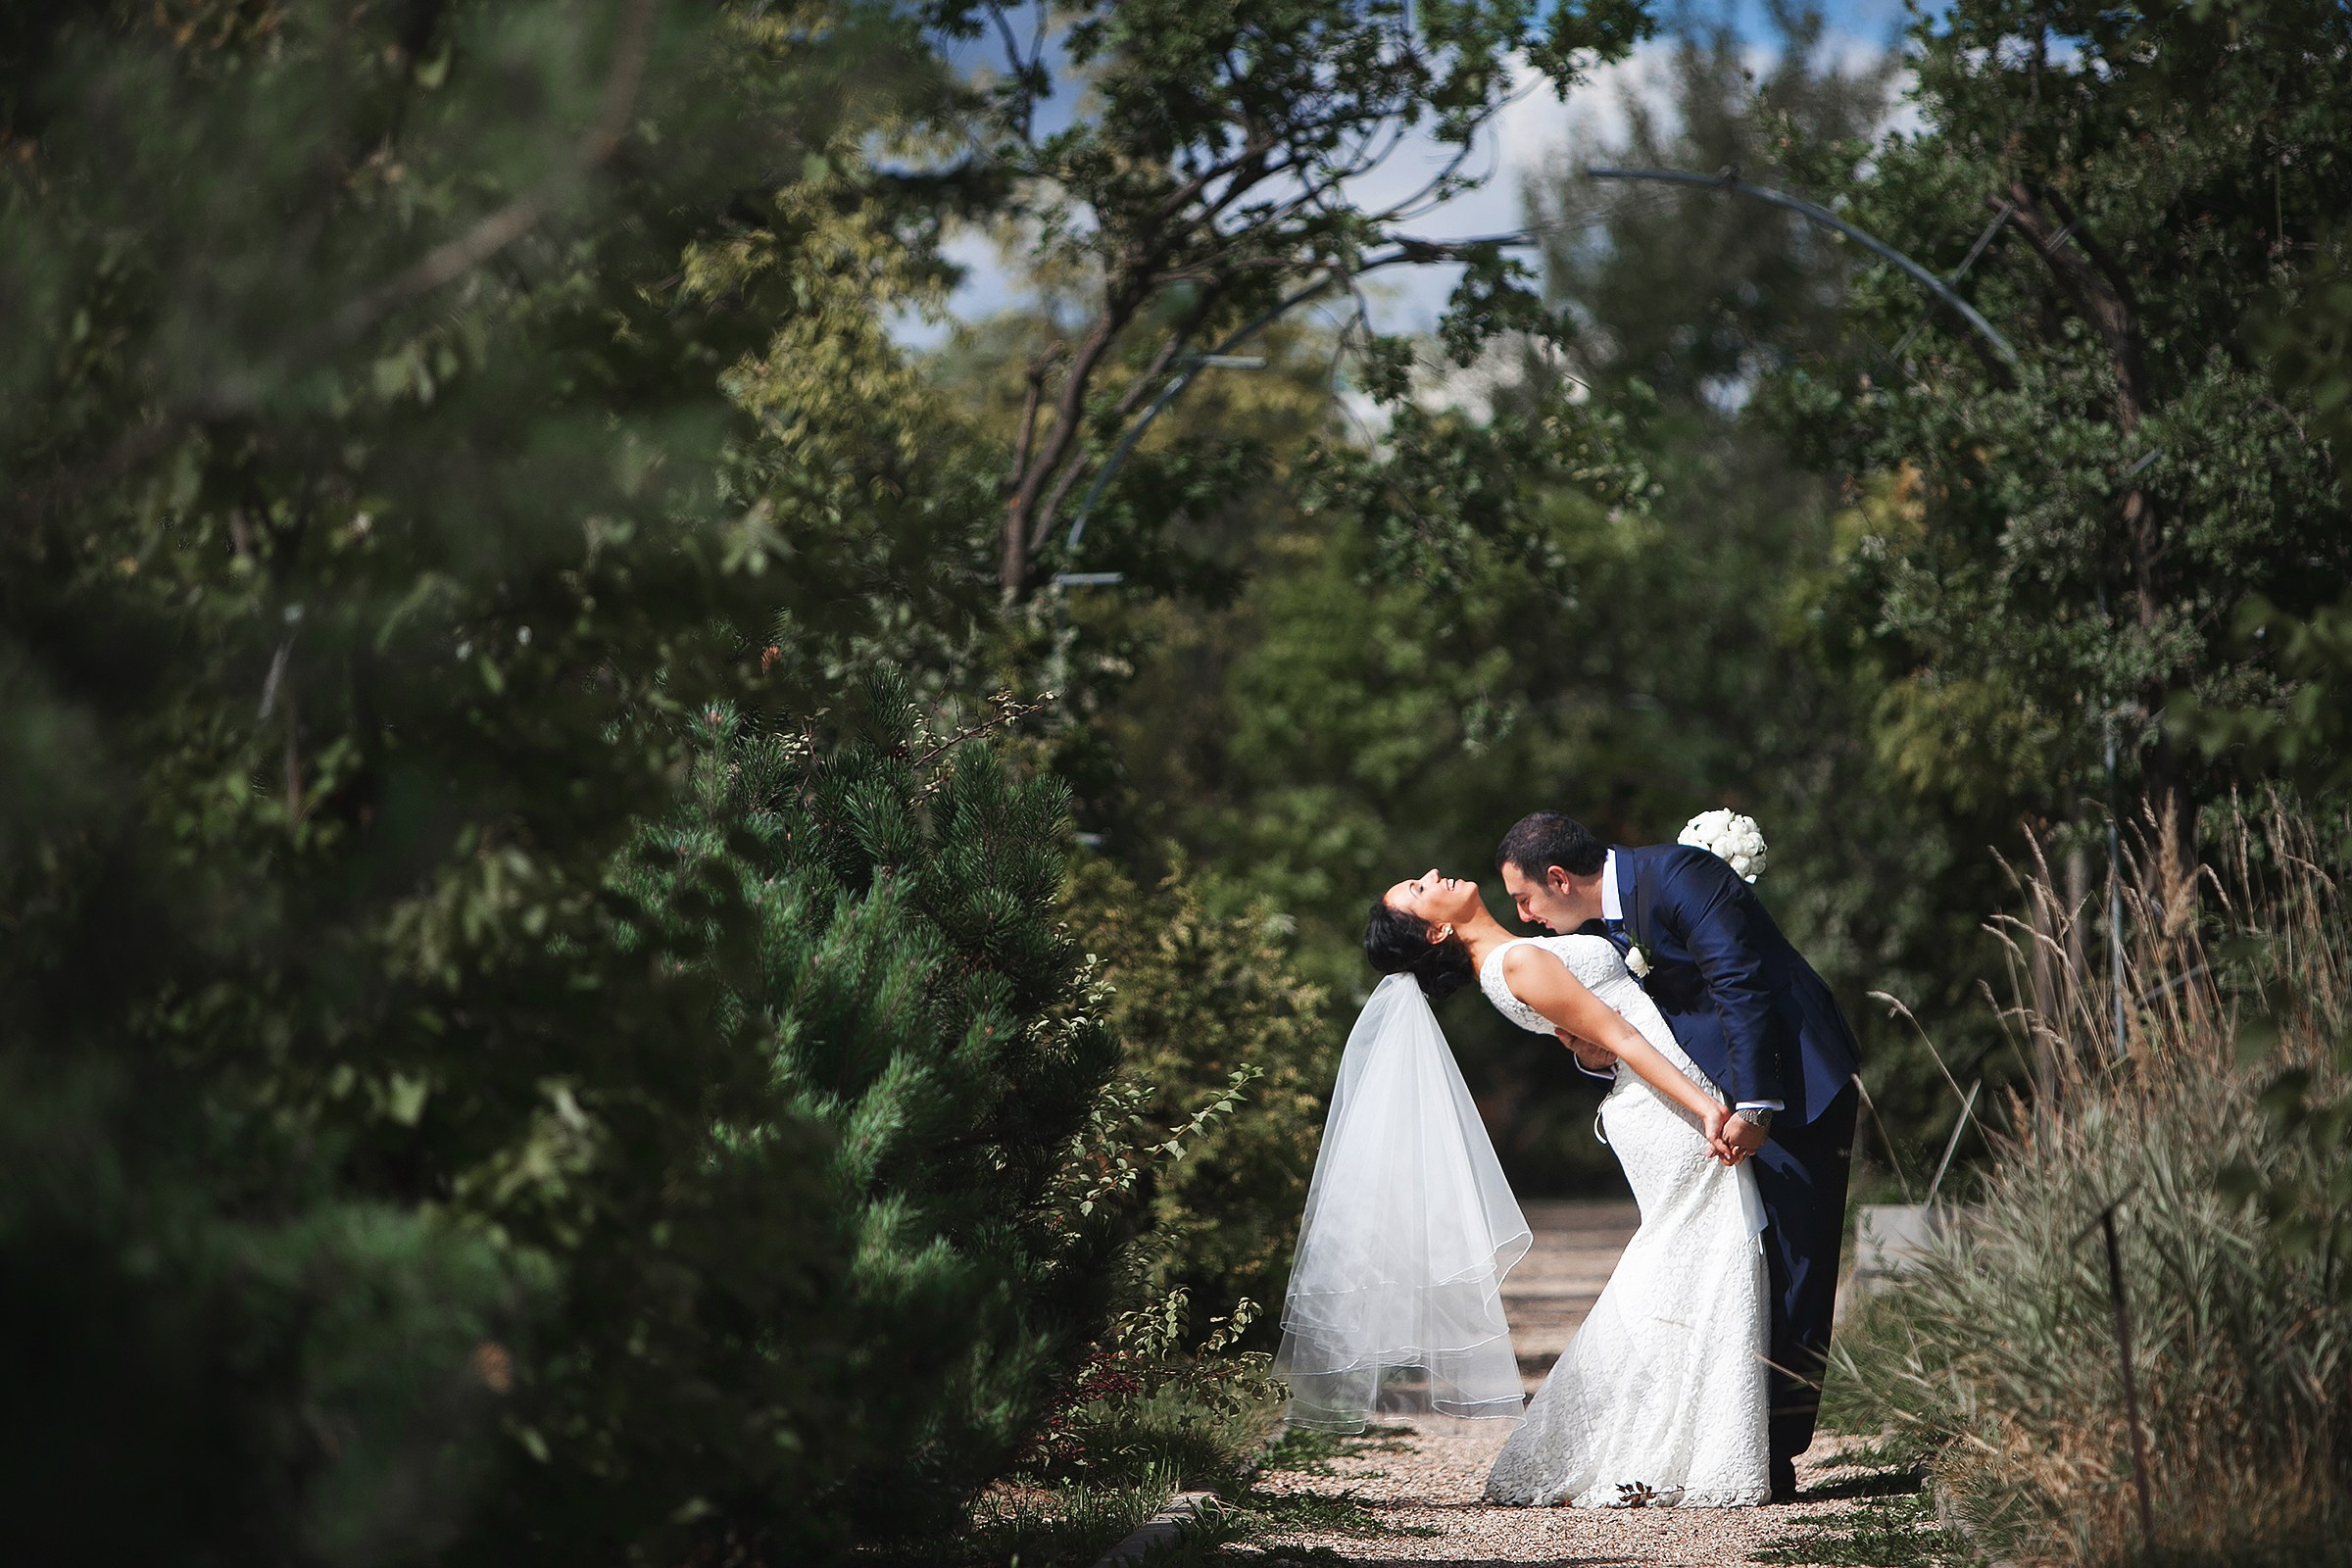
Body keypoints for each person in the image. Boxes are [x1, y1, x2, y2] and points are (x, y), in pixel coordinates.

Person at [1362, 868, 1772, 1508]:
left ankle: (1682, 1438)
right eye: (1417, 889)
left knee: (1697, 1261)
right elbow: (1621, 1037)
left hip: (1662, 1097)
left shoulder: (1512, 957)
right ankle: (1619, 1439)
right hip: (1669, 1108)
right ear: (1436, 930)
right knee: (1693, 1258)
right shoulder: (1516, 962)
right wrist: (1710, 1110)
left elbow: (1593, 1039)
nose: (1429, 876)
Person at [1494, 811, 1862, 1503]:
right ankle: (1727, 1439)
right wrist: (1591, 1055)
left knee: (1796, 1267)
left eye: (1525, 899)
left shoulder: (1680, 874)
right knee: (1738, 1267)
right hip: (1713, 1103)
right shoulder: (1598, 929)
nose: (1525, 916)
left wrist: (1756, 1106)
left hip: (1795, 1087)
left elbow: (1740, 983)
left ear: (1558, 878)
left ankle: (1775, 1449)